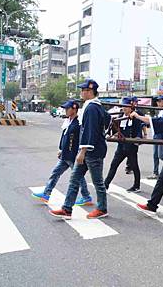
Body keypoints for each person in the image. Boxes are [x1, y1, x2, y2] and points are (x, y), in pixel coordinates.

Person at [49, 79, 109, 220]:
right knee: (74, 179)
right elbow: (107, 120)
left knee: (98, 182)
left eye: (84, 90)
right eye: (82, 90)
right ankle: (67, 209)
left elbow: (90, 130)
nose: (82, 93)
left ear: (90, 92)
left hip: (92, 152)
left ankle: (102, 208)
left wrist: (82, 151)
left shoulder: (92, 108)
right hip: (90, 150)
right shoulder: (95, 106)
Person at [32, 100, 92, 206]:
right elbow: (64, 137)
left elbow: (81, 139)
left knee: (78, 177)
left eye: (67, 109)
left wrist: (81, 153)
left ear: (74, 109)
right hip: (65, 155)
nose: (65, 110)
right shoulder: (68, 121)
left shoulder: (78, 123)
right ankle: (46, 193)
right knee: (55, 173)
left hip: (73, 155)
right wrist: (61, 149)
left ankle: (86, 196)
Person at [104, 97, 142, 193]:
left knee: (134, 166)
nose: (124, 109)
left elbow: (138, 131)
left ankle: (136, 186)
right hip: (121, 146)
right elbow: (115, 129)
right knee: (114, 165)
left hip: (131, 146)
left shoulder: (135, 116)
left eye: (126, 107)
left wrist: (138, 139)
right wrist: (113, 134)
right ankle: (105, 185)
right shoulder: (121, 115)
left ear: (130, 107)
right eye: (122, 107)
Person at [147, 95, 163, 179]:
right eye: (157, 101)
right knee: (155, 155)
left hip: (162, 135)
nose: (158, 103)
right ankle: (155, 172)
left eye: (160, 101)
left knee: (161, 155)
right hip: (156, 134)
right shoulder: (157, 111)